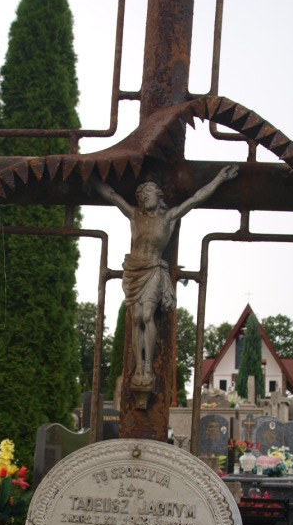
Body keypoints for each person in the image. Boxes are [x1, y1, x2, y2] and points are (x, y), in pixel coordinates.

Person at [93, 165, 238, 388]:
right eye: (142, 195)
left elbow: (196, 198)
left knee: (147, 316)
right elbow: (111, 195)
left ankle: (148, 367)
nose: (145, 198)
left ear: (158, 196)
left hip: (154, 269)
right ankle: (139, 367)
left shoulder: (169, 217)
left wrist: (219, 179)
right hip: (133, 269)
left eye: (148, 194)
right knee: (136, 318)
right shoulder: (135, 215)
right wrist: (90, 178)